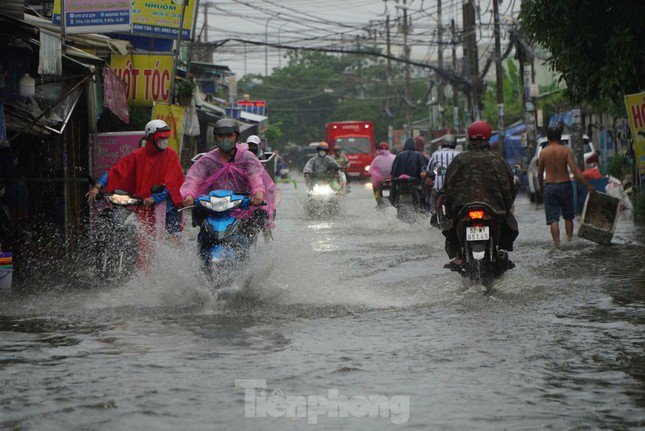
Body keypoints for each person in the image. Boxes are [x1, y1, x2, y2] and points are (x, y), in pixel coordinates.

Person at [87, 119, 185, 266]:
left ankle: (173, 266)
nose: (165, 141)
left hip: (167, 205)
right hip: (143, 204)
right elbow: (117, 171)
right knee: (139, 236)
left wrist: (155, 198)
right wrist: (98, 186)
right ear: (151, 138)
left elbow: (172, 183)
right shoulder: (137, 155)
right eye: (161, 138)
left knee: (172, 239)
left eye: (166, 137)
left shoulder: (171, 155)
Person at [181, 118, 279, 243]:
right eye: (221, 136)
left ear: (236, 137)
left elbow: (255, 176)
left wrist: (258, 193)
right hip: (214, 206)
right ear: (215, 138)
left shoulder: (247, 157)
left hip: (242, 205)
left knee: (252, 227)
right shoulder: (208, 159)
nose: (225, 140)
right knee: (203, 231)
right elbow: (195, 179)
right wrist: (189, 195)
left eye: (229, 136)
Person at [438, 120, 518, 270]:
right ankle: (501, 251)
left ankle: (458, 257)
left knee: (450, 223)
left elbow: (448, 186)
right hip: (494, 209)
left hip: (463, 209)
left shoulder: (460, 159)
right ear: (488, 138)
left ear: (469, 138)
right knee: (507, 221)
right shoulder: (497, 159)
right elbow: (508, 185)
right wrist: (505, 207)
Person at [537, 126, 594, 246]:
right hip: (565, 186)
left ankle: (557, 244)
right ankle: (569, 241)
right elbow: (575, 170)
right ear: (559, 138)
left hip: (550, 187)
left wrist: (541, 186)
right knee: (568, 217)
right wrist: (588, 185)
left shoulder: (543, 153)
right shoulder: (566, 151)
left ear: (548, 138)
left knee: (553, 219)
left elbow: (540, 173)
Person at [426, 134, 460, 222]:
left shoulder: (435, 154)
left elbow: (429, 169)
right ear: (454, 144)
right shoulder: (459, 155)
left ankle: (434, 211)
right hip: (455, 188)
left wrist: (438, 172)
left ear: (442, 144)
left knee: (433, 197)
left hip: (439, 188)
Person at [390, 138, 427, 205]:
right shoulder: (419, 155)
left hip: (400, 181)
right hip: (415, 181)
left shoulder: (399, 155)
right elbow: (424, 168)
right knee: (424, 193)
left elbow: (393, 171)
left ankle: (392, 200)